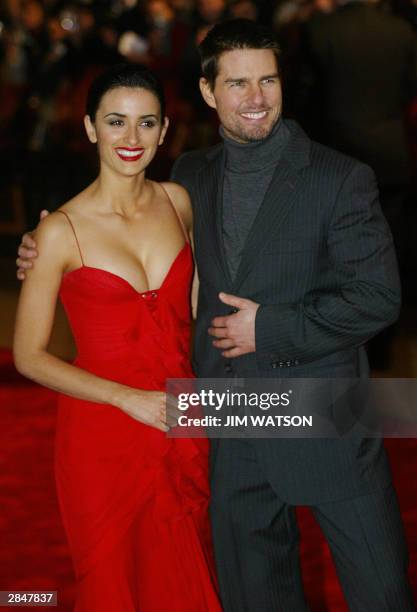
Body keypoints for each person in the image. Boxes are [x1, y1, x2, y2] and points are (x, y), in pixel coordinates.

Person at [16, 20, 415, 612]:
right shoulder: (190, 179)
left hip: (325, 413)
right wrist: (43, 244)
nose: (255, 98)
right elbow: (121, 236)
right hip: (223, 423)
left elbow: (379, 297)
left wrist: (271, 328)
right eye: (237, 83)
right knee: (256, 595)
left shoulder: (340, 178)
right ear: (208, 93)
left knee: (380, 592)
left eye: (267, 81)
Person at [13, 63, 221, 612]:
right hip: (102, 437)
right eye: (116, 122)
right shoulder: (60, 230)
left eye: (146, 123)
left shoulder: (180, 202)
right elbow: (28, 356)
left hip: (180, 423)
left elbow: (193, 313)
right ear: (88, 128)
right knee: (112, 587)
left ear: (164, 131)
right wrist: (126, 399)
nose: (131, 139)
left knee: (177, 582)